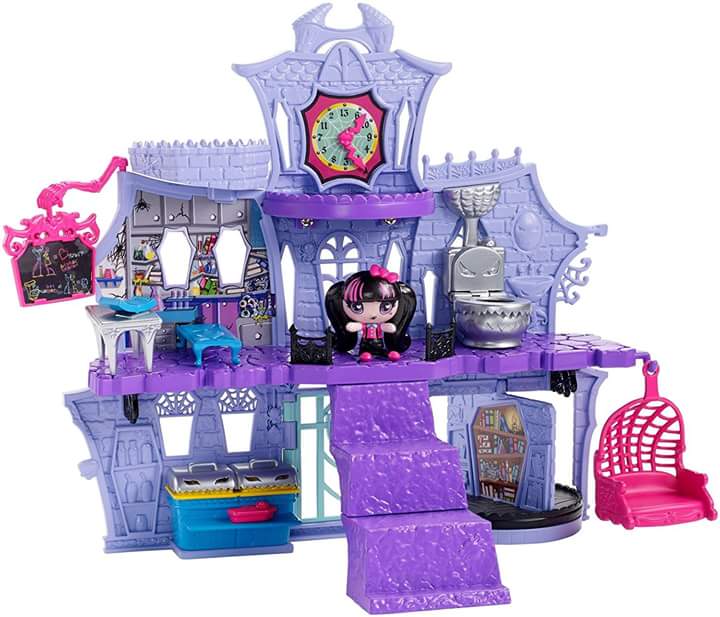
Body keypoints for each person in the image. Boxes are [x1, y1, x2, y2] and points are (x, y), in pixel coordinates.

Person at [325, 264, 416, 362]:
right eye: (357, 307)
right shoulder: (364, 326)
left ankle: (387, 353)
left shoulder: (380, 326)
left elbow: (389, 328)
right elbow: (353, 327)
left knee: (384, 352)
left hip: (380, 344)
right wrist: (353, 326)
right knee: (365, 353)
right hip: (365, 345)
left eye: (386, 307)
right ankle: (365, 354)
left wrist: (389, 327)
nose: (373, 315)